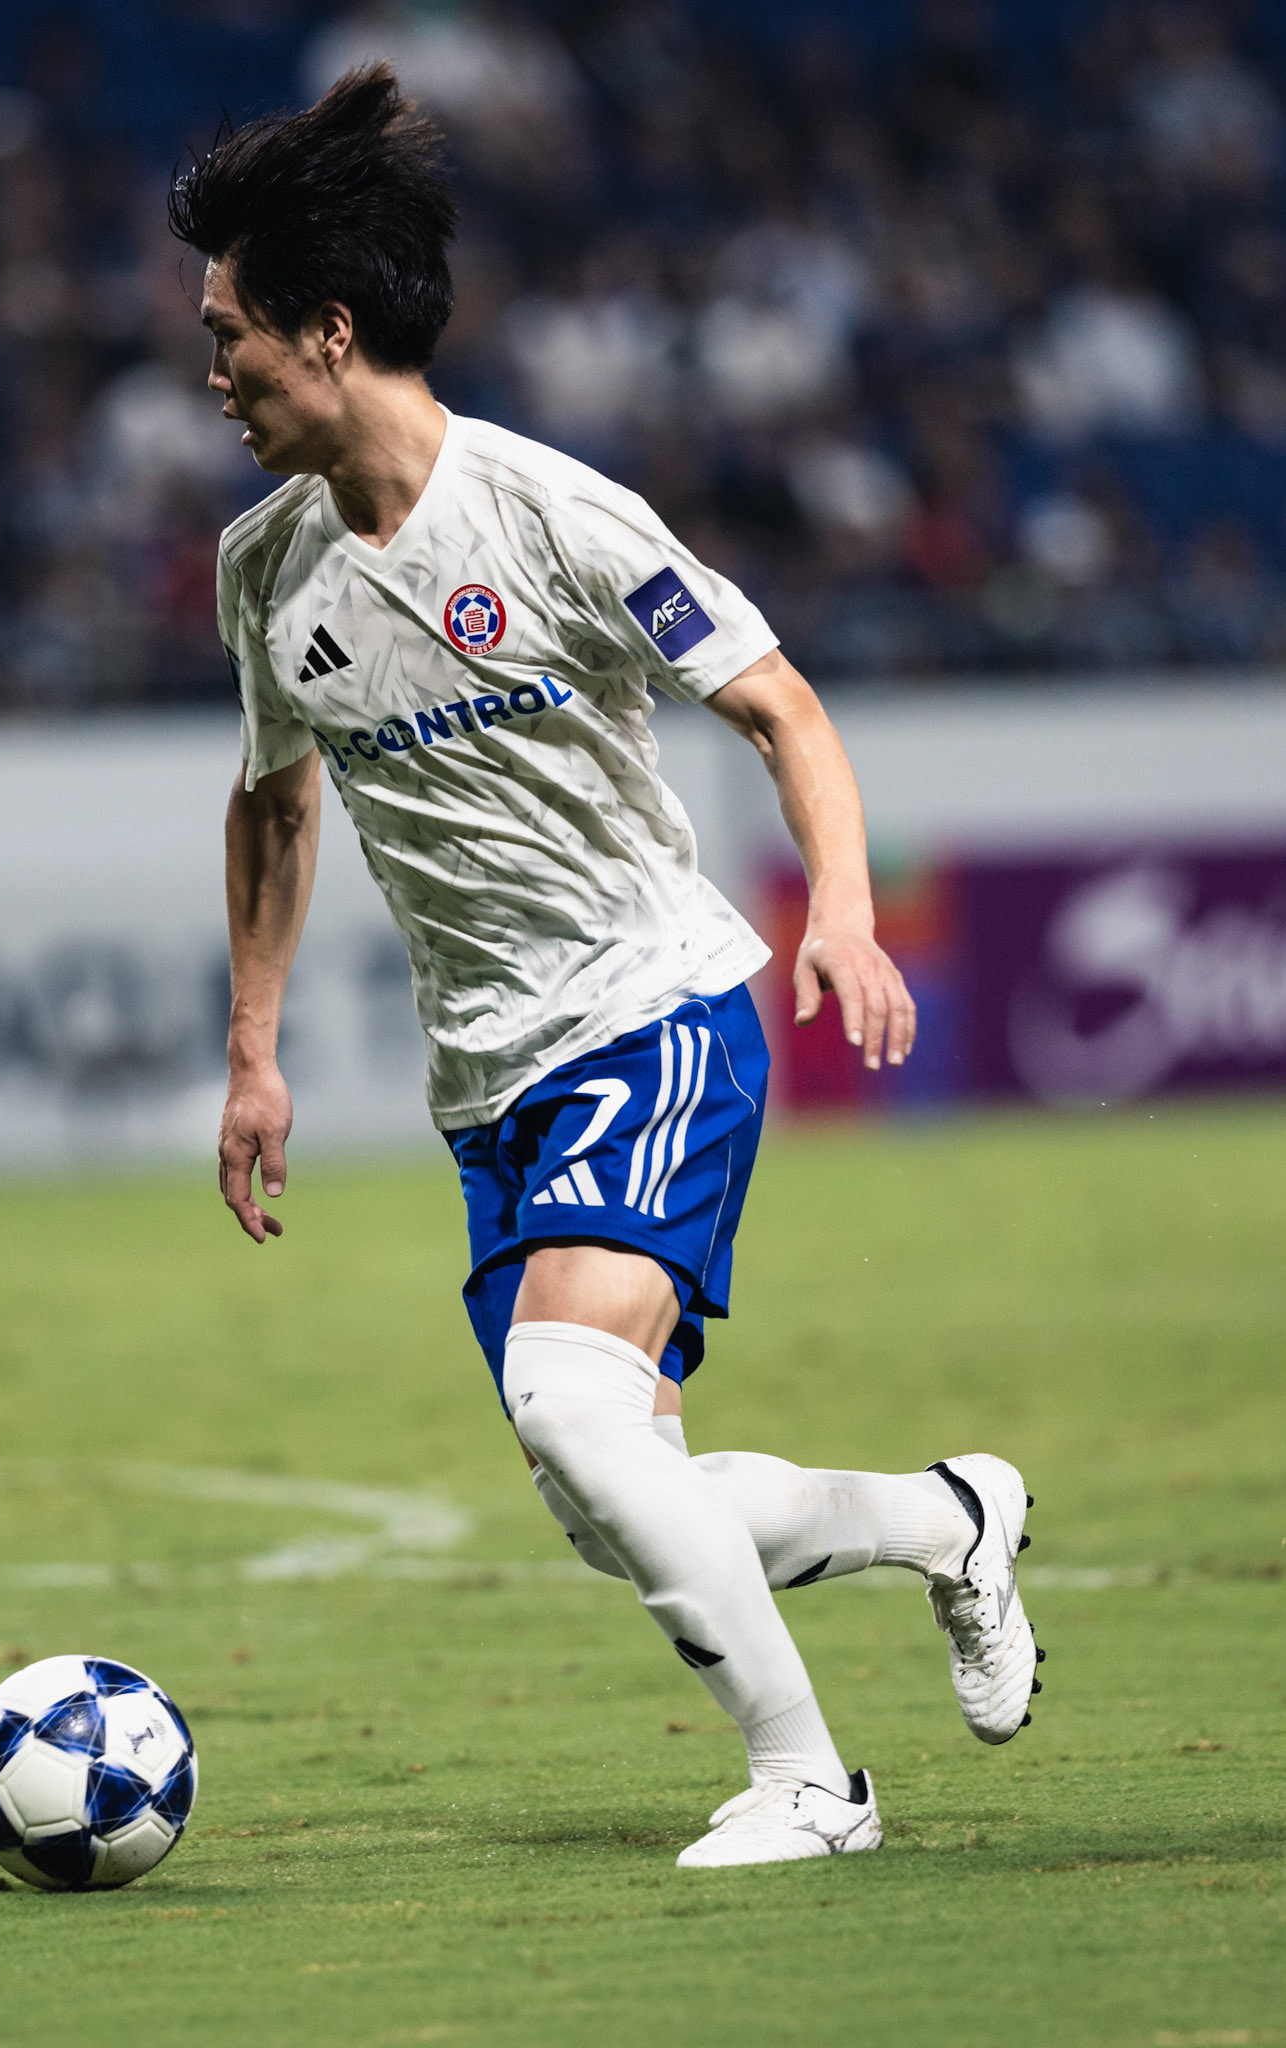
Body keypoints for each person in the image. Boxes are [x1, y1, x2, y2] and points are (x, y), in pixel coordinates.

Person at [170, 64, 1042, 1869]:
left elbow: (777, 705)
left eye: (230, 335)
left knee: (570, 1406)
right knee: (612, 1495)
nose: (212, 375)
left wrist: (849, 916)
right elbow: (272, 805)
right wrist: (252, 1049)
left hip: (652, 1011)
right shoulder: (266, 570)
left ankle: (813, 1786)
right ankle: (947, 1517)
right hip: (484, 1077)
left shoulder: (557, 517)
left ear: (327, 335)